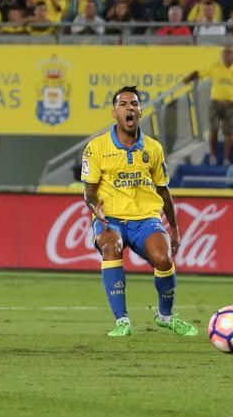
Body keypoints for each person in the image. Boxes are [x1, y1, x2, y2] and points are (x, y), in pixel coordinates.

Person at [81, 86, 197, 339]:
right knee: (110, 247)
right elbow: (88, 190)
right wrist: (94, 208)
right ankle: (122, 321)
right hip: (110, 217)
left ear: (141, 111)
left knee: (164, 258)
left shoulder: (153, 149)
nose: (129, 108)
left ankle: (166, 317)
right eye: (123, 104)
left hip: (145, 218)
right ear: (114, 113)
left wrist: (175, 230)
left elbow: (164, 192)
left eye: (133, 103)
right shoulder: (96, 147)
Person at [185, 45, 233, 165]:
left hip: (231, 105)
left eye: (229, 53)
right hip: (215, 103)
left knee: (229, 132)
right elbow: (200, 73)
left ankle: (226, 158)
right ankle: (212, 155)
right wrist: (188, 78)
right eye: (224, 53)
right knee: (213, 129)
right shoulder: (215, 67)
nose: (226, 55)